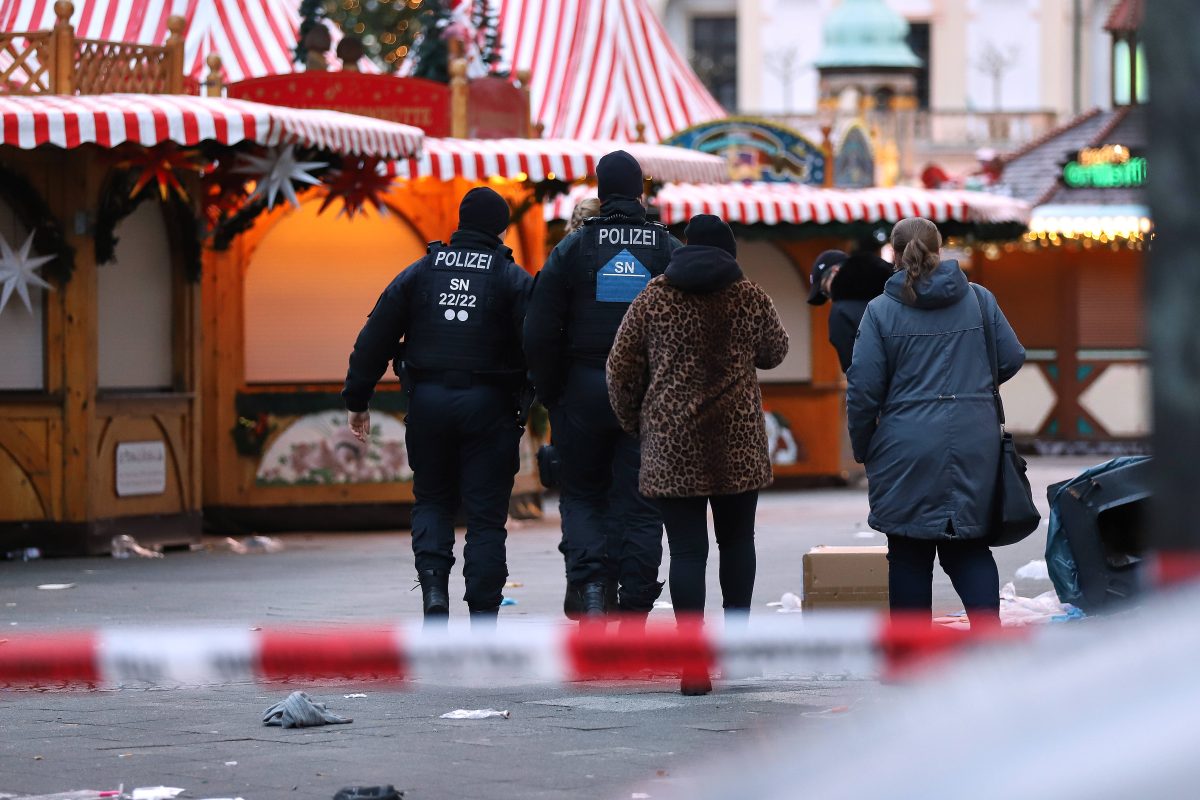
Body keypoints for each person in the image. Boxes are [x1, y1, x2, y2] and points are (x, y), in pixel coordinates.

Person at [607, 215, 789, 695]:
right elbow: (776, 352)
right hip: (737, 441)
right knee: (737, 543)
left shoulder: (653, 297)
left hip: (672, 442)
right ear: (729, 251)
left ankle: (692, 666)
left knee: (687, 551)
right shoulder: (749, 295)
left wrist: (637, 424)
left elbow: (619, 369)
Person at [343, 187, 532, 627]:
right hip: (491, 406)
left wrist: (358, 398)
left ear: (461, 223)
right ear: (501, 228)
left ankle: (434, 596)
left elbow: (376, 334)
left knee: (432, 501)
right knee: (486, 517)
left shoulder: (422, 270)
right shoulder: (511, 277)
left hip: (428, 403)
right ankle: (483, 616)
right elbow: (538, 342)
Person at [523, 150, 680, 621]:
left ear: (599, 190)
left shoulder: (574, 248)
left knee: (583, 494)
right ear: (640, 191)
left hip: (584, 387)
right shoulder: (665, 248)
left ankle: (591, 590)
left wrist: (553, 393)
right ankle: (634, 608)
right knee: (642, 502)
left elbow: (539, 328)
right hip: (646, 394)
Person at [846, 217, 1025, 629]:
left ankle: (911, 659)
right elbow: (1012, 357)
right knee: (971, 547)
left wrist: (863, 446)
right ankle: (988, 645)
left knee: (908, 551)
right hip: (974, 438)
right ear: (940, 249)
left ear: (893, 252)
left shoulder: (880, 312)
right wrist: (974, 384)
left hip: (904, 445)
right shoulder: (979, 300)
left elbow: (863, 390)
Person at [807, 240, 892, 374]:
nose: (829, 298)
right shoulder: (897, 290)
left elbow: (855, 371)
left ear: (835, 271)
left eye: (825, 290)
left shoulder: (841, 312)